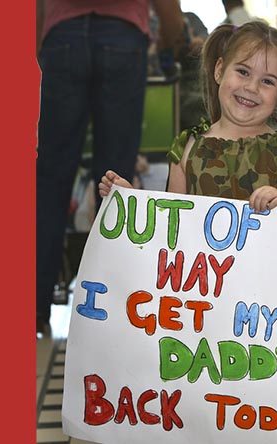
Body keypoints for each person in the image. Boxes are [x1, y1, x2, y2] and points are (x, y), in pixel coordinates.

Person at [36, 0, 185, 336]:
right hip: (122, 37)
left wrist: (44, 45)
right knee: (115, 182)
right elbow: (168, 10)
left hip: (63, 38)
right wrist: (167, 42)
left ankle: (34, 308)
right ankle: (110, 308)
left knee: (50, 180)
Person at [100, 20, 277, 214]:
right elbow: (171, 222)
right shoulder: (187, 147)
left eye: (267, 81)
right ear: (219, 70)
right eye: (243, 72)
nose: (251, 87)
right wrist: (131, 202)